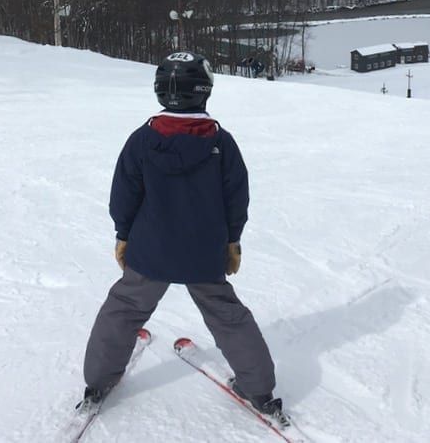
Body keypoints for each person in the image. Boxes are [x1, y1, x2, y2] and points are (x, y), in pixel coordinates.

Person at [78, 51, 281, 417]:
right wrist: (232, 239)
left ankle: (98, 380)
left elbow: (123, 195)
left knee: (122, 310)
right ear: (204, 91)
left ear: (160, 92)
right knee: (227, 315)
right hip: (203, 253)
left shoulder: (142, 140)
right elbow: (237, 198)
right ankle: (259, 389)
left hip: (150, 252)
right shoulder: (222, 144)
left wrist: (124, 235)